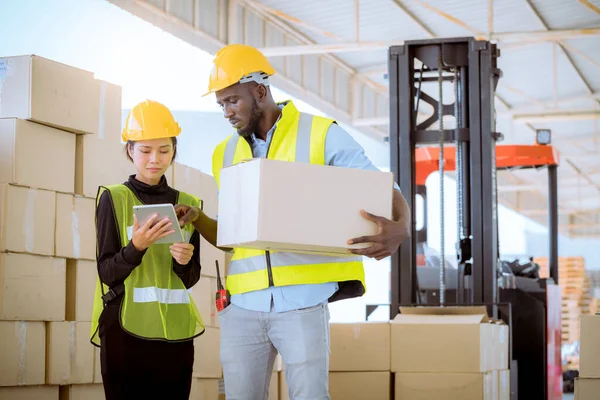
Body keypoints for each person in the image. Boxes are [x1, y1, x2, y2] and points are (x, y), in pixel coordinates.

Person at [177, 44, 410, 400]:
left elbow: (376, 184)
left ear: (259, 90)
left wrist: (403, 224)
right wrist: (200, 218)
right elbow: (231, 235)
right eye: (221, 104)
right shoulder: (223, 153)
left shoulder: (320, 132)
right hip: (242, 305)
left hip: (302, 302)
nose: (226, 112)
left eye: (232, 101)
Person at [89, 100, 205, 400]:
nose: (155, 159)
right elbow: (106, 271)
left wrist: (183, 262)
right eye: (145, 150)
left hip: (175, 332)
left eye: (164, 150)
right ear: (130, 150)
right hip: (125, 329)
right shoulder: (113, 199)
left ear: (174, 150)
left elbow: (191, 278)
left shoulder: (189, 204)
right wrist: (136, 247)